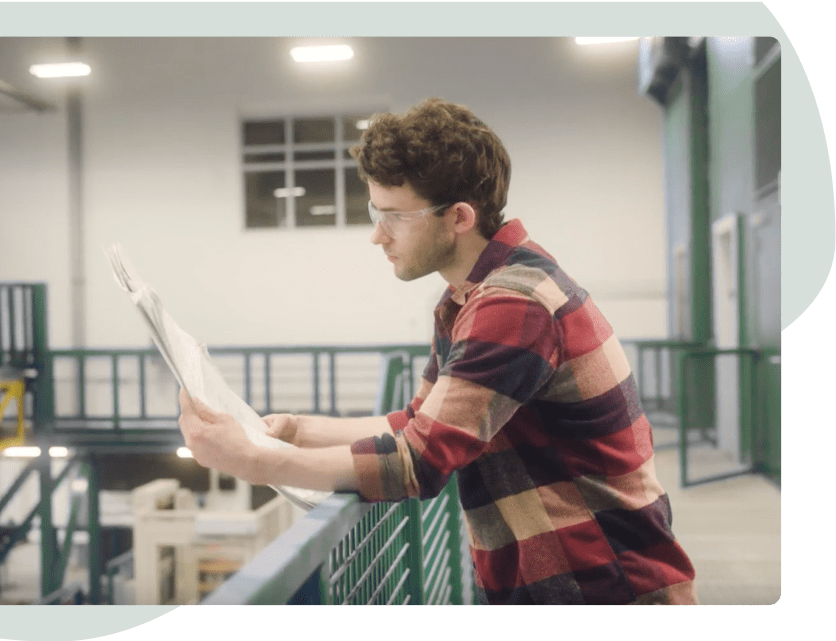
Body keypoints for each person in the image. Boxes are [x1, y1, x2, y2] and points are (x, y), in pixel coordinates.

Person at [178, 97, 698, 605]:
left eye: (394, 216)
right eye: (375, 212)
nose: (377, 236)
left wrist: (256, 461)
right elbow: (419, 421)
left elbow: (418, 461)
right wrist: (299, 430)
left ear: (459, 217)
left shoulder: (513, 305)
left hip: (605, 591)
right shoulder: (472, 296)